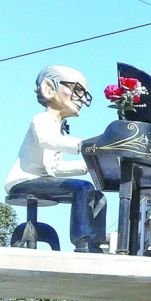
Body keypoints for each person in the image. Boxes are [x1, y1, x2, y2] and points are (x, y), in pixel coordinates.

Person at [5, 65, 106, 252]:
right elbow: (48, 141)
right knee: (83, 188)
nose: (82, 98)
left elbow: (54, 168)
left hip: (42, 178)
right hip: (24, 180)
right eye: (77, 90)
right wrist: (84, 146)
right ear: (49, 89)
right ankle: (82, 242)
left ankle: (95, 243)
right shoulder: (42, 119)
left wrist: (92, 164)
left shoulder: (57, 125)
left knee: (97, 196)